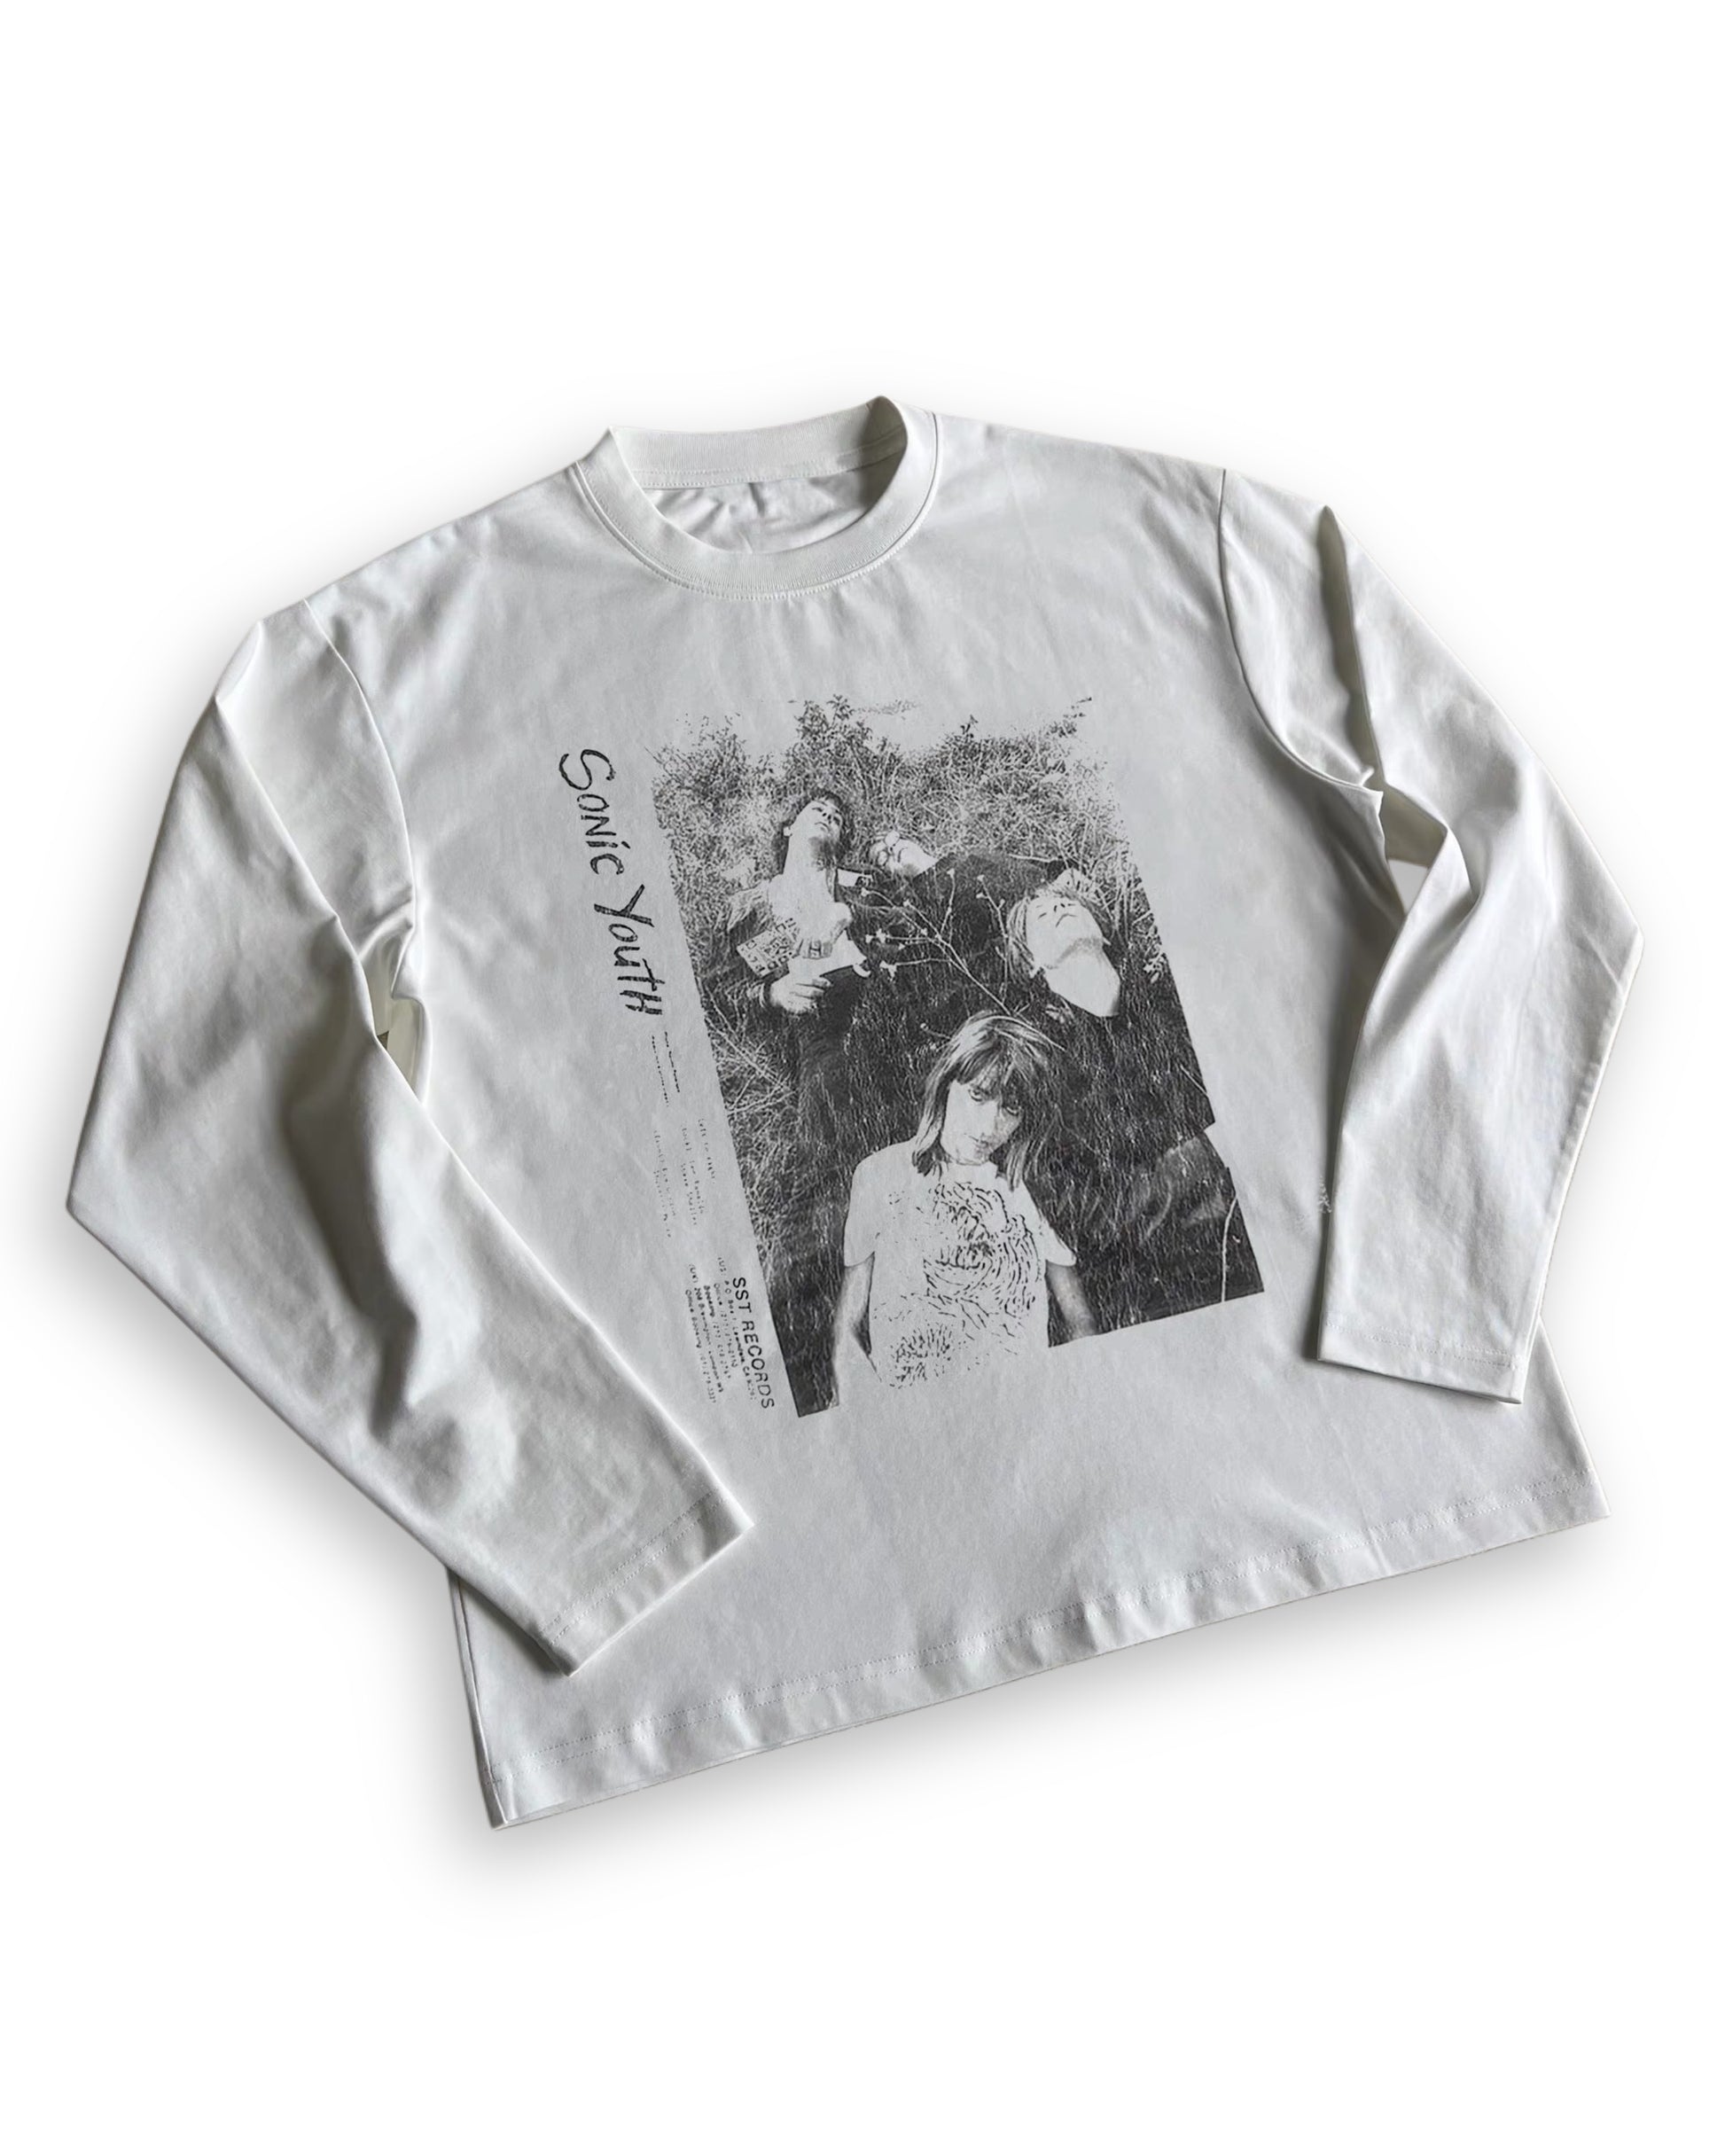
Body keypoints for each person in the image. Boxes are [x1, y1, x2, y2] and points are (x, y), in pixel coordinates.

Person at [1000, 873, 1261, 1325]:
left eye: (1067, 903)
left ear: (1103, 931)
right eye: (1040, 916)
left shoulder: (1178, 998)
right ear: (1030, 964)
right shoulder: (1042, 1074)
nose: (1058, 908)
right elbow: (1101, 1215)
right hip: (1188, 1285)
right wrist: (1212, 1149)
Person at [706, 787, 878, 1414]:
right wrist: (772, 994)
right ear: (787, 828)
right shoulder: (753, 905)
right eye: (817, 810)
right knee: (829, 1171)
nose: (830, 816)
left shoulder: (861, 887)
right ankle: (800, 1351)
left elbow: (912, 928)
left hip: (888, 1015)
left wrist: (858, 917)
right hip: (822, 1031)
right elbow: (719, 991)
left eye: (839, 815)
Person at [831, 1012, 1096, 1400]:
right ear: (946, 1084)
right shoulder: (880, 1174)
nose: (989, 1126)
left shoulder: (1029, 1189)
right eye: (978, 1095)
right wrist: (866, 1406)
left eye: (1011, 1108)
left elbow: (1080, 1322)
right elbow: (846, 1330)